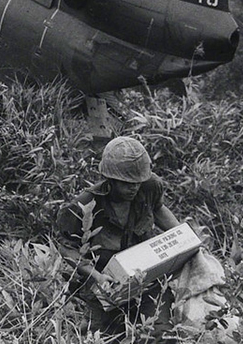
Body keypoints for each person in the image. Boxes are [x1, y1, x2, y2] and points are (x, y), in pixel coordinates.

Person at [56, 136, 181, 338]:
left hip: (146, 278)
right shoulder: (85, 204)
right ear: (111, 180)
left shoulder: (149, 187)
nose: (134, 188)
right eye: (126, 183)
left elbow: (158, 209)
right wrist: (97, 276)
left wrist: (183, 237)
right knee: (104, 337)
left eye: (137, 183)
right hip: (106, 285)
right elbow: (67, 248)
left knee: (159, 334)